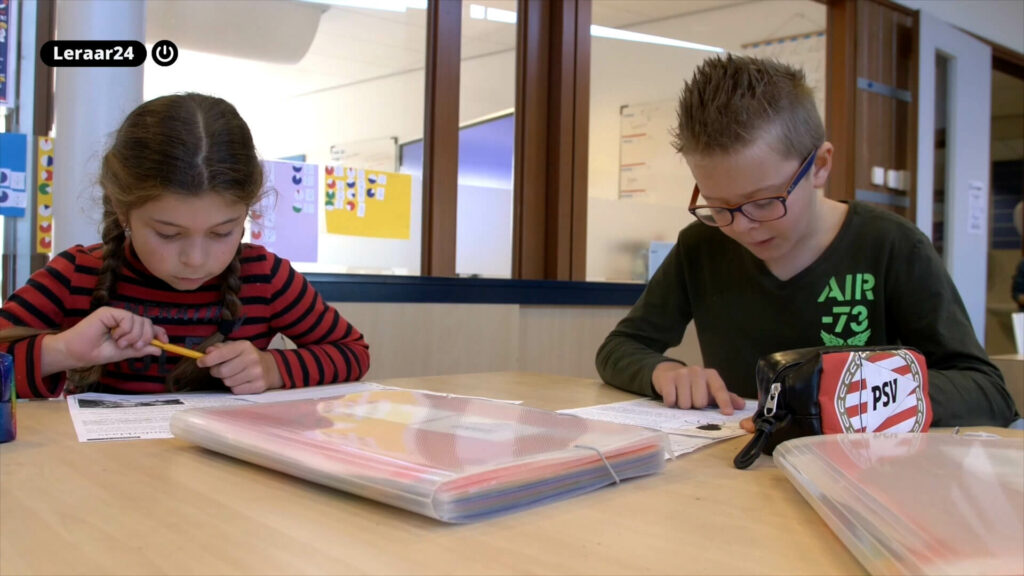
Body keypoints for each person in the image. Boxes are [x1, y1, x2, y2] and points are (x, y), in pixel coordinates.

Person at [596, 55, 1017, 428]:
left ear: (819, 166)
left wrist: (853, 400)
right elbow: (620, 348)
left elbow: (985, 391)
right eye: (718, 205)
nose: (741, 227)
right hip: (738, 473)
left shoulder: (891, 246)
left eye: (762, 202)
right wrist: (664, 372)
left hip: (862, 480)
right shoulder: (701, 246)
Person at [0, 93, 370, 398]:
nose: (195, 260)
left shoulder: (266, 278)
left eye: (223, 232)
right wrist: (62, 350)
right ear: (121, 208)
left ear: (247, 212)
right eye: (168, 234)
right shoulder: (76, 275)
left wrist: (273, 368)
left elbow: (353, 353)